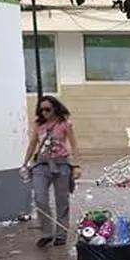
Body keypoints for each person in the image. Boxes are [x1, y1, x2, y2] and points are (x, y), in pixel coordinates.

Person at [22, 95, 80, 247]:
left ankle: (61, 234)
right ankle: (47, 233)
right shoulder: (38, 125)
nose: (44, 113)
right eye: (41, 110)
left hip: (61, 164)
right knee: (40, 198)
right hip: (41, 165)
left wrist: (76, 165)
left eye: (47, 109)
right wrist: (25, 163)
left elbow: (74, 144)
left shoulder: (64, 123)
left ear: (55, 108)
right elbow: (33, 143)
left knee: (62, 201)